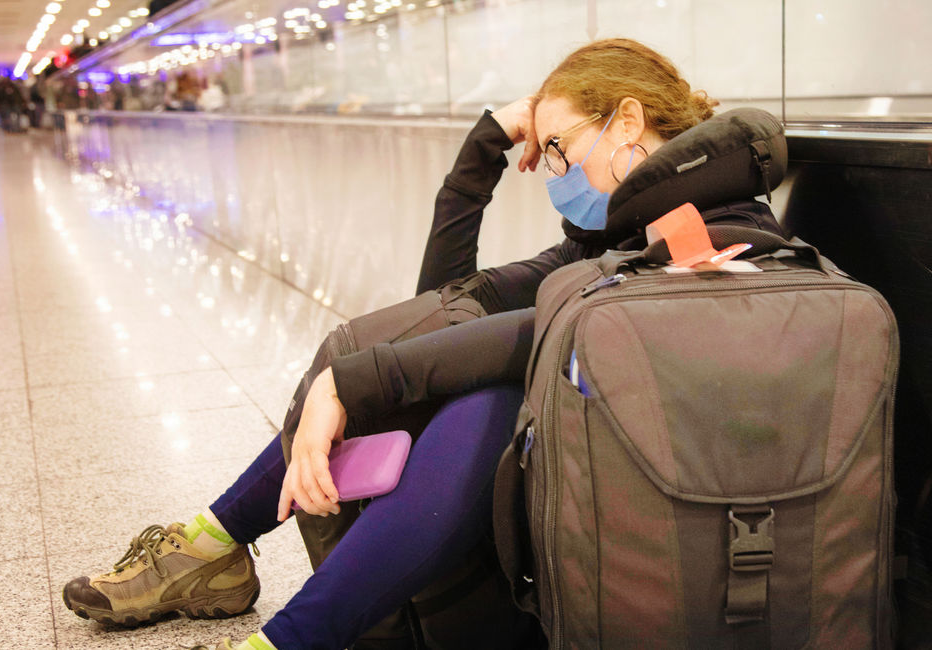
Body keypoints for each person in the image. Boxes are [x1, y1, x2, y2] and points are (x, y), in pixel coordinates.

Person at [62, 39, 783, 649]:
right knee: (450, 373)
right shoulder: (614, 232)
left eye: (558, 150)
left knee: (489, 401)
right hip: (602, 470)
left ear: (628, 121)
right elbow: (445, 309)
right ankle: (218, 548)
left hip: (667, 496)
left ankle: (258, 606)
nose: (554, 174)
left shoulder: (709, 226)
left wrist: (351, 381)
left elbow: (557, 330)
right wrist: (481, 153)